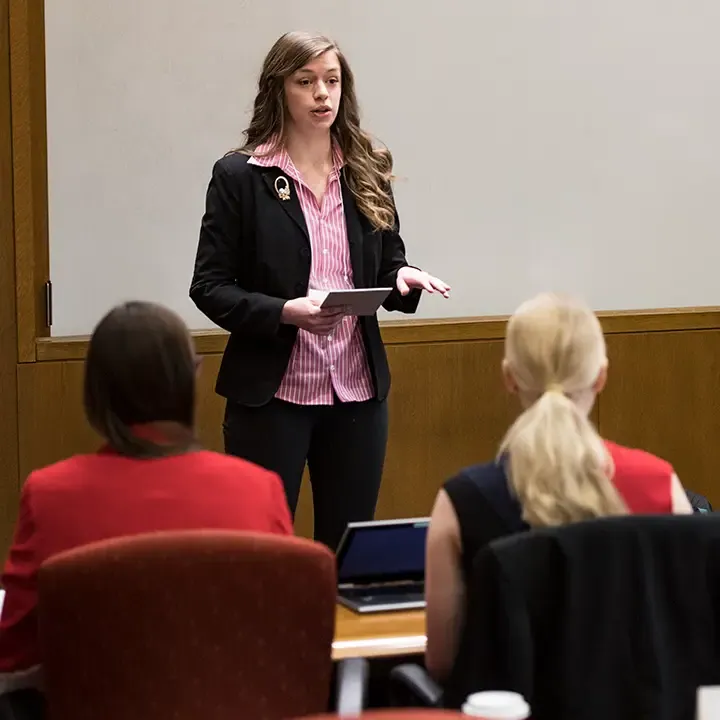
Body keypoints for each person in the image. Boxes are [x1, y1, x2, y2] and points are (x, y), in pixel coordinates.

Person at [190, 31, 449, 550]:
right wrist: (284, 311)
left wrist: (401, 278)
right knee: (262, 550)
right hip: (272, 396)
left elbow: (387, 259)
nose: (321, 95)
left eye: (331, 81)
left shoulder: (367, 164)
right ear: (279, 89)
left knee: (346, 549)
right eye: (305, 82)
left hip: (355, 394)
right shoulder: (241, 176)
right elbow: (210, 286)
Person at [0, 301, 292, 697]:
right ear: (193, 379)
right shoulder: (260, 490)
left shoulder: (50, 495)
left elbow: (14, 654)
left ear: (94, 392)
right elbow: (283, 634)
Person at [425, 292, 693, 682]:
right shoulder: (660, 484)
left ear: (509, 378)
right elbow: (689, 629)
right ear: (601, 376)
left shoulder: (460, 500)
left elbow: (443, 661)